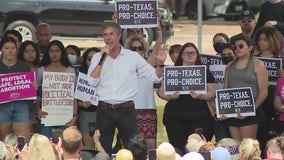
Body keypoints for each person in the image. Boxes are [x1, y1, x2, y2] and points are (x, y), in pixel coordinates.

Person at [87, 22, 166, 155]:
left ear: (118, 36)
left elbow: (155, 77)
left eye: (111, 34)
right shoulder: (97, 57)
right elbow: (91, 81)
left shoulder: (132, 57)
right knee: (103, 148)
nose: (108, 38)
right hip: (104, 109)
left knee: (133, 148)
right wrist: (102, 59)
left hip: (126, 109)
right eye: (105, 35)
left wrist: (161, 64)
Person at [157, 42, 215, 155]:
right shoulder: (173, 71)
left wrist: (201, 96)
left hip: (200, 117)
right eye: (186, 53)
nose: (190, 55)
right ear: (181, 55)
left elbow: (212, 92)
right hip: (175, 117)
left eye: (193, 52)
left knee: (197, 149)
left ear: (197, 55)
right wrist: (170, 96)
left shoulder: (204, 71)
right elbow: (160, 92)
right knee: (177, 149)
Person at [223, 35, 268, 142]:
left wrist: (249, 111)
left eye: (241, 46)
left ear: (250, 47)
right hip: (233, 111)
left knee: (247, 147)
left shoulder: (258, 65)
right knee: (236, 147)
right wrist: (223, 111)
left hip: (251, 112)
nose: (237, 49)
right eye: (235, 47)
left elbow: (263, 93)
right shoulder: (229, 65)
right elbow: (225, 90)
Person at [36, 40, 77, 138]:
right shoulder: (41, 70)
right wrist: (37, 110)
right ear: (48, 53)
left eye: (57, 51)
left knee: (65, 146)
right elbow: (35, 93)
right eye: (51, 51)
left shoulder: (71, 71)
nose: (54, 54)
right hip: (46, 115)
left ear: (62, 53)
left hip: (65, 115)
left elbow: (74, 95)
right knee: (46, 144)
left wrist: (75, 116)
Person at [124, 36, 160, 149]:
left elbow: (157, 48)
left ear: (144, 50)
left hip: (148, 109)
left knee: (150, 145)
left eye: (140, 48)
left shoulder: (148, 64)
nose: (137, 51)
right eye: (133, 48)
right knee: (128, 145)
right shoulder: (123, 66)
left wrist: (158, 30)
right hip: (128, 109)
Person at [253, 26, 283, 157]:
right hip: (259, 96)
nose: (262, 42)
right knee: (260, 127)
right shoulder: (254, 58)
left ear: (271, 41)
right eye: (260, 39)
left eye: (265, 39)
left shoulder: (280, 59)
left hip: (275, 98)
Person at [0, 37, 34, 141]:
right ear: (1, 50)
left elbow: (29, 88)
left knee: (24, 142)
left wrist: (33, 86)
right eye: (7, 48)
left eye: (13, 48)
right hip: (2, 107)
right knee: (4, 144)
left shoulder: (24, 66)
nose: (10, 50)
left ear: (17, 50)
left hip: (21, 106)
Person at [77, 47, 100, 148]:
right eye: (90, 58)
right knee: (89, 149)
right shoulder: (79, 76)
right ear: (85, 61)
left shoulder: (108, 76)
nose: (93, 61)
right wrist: (81, 104)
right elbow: (71, 99)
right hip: (87, 115)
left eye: (96, 59)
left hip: (105, 115)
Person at [18, 40, 40, 133]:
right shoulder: (18, 69)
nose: (30, 54)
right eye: (27, 51)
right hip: (24, 108)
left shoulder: (41, 69)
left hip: (40, 108)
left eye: (33, 51)